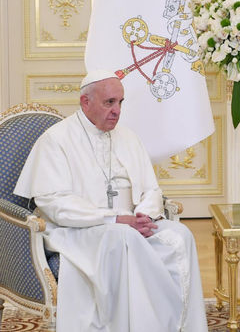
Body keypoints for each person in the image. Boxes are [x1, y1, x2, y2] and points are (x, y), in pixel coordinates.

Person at [14, 70, 208, 331]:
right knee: (122, 237)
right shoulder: (56, 140)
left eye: (120, 102)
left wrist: (144, 216)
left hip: (131, 224)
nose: (117, 111)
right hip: (78, 230)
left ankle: (179, 325)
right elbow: (54, 203)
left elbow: (151, 189)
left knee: (181, 235)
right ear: (85, 102)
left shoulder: (128, 137)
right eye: (109, 102)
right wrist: (114, 219)